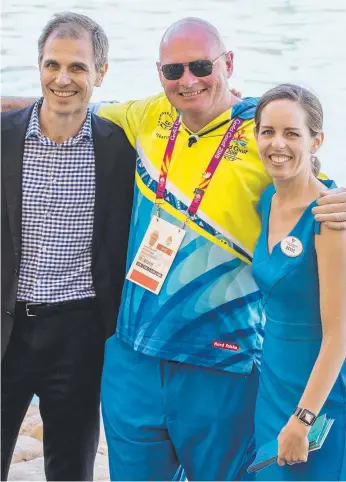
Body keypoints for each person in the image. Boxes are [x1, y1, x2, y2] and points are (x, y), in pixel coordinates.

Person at [2, 17, 346, 481]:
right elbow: (68, 102)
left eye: (201, 66)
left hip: (221, 358)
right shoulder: (147, 115)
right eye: (173, 71)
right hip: (133, 352)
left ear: (228, 62)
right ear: (158, 74)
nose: (188, 81)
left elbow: (307, 172)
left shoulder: (261, 131)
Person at [1, 12, 135, 481]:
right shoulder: (4, 137)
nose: (62, 78)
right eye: (51, 65)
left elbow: (196, 116)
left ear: (101, 72)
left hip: (80, 334)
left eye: (77, 67)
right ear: (38, 66)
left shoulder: (121, 148)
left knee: (71, 470)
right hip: (6, 326)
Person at [252, 83, 346, 480]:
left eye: (292, 133)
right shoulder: (265, 201)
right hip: (272, 381)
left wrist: (304, 419)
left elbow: (339, 334)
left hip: (319, 396)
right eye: (268, 131)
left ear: (316, 140)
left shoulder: (330, 217)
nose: (278, 144)